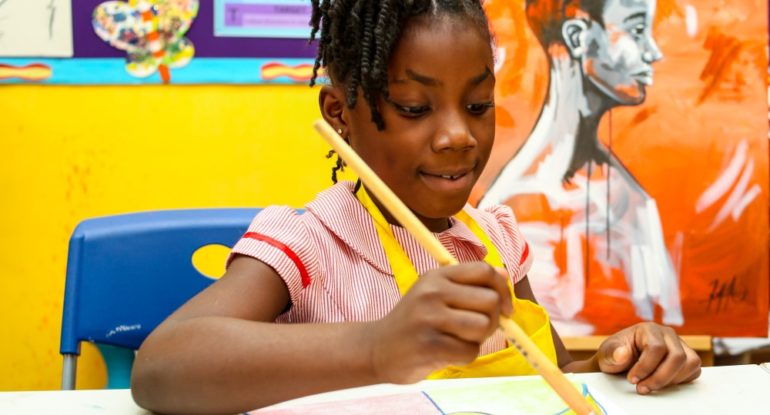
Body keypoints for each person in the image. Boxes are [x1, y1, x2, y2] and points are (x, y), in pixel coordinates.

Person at [131, 1, 701, 414]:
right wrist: (376, 347)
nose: (458, 136)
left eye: (478, 104)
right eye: (413, 108)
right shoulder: (309, 245)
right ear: (339, 115)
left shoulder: (496, 240)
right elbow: (161, 367)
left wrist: (618, 362)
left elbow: (546, 375)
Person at [479, 0, 684, 334]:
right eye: (636, 30)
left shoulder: (632, 200)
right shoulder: (509, 213)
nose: (653, 52)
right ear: (577, 36)